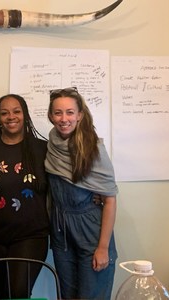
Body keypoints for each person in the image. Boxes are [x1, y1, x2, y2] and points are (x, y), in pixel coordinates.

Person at [45, 87, 118, 299]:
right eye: (58, 112)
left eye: (69, 112)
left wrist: (103, 247)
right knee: (67, 295)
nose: (64, 118)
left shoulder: (93, 148)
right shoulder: (51, 145)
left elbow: (110, 200)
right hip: (61, 233)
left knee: (91, 295)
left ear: (80, 115)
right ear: (50, 116)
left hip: (91, 233)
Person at [0, 94, 50, 298]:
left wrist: (95, 195)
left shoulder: (43, 150)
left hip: (31, 236)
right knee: (1, 295)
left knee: (18, 292)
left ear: (25, 114)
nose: (11, 117)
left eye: (16, 111)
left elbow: (64, 183)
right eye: (4, 112)